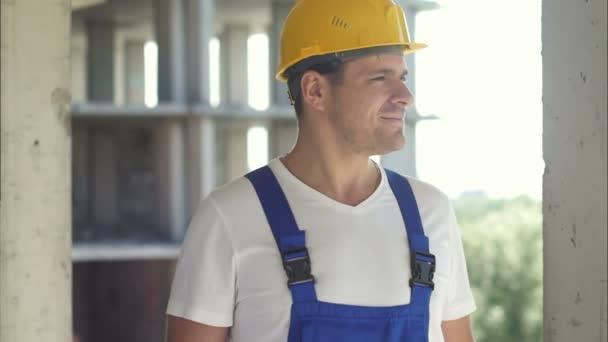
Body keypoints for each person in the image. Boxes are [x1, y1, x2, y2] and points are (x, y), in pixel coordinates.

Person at [166, 0, 476, 341]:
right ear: (315, 90)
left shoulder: (430, 212)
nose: (405, 95)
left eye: (402, 77)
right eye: (380, 78)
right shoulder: (230, 216)